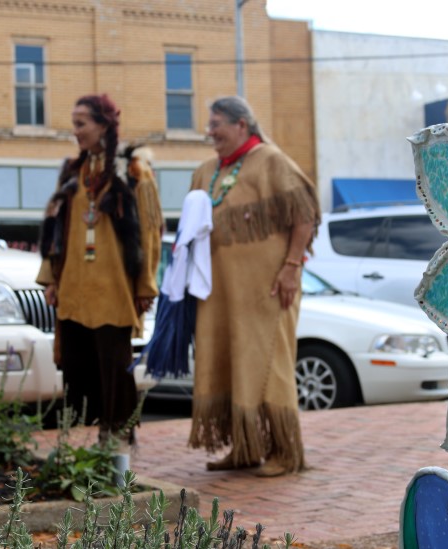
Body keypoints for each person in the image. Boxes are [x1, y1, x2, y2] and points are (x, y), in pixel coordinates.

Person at [188, 96, 320, 477]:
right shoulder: (207, 170)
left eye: (217, 124)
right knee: (229, 364)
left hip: (268, 289)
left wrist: (292, 266)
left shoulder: (271, 161)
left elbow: (305, 215)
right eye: (209, 125)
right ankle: (245, 446)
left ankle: (284, 451)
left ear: (242, 125)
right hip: (220, 293)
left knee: (269, 366)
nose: (210, 132)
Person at [37, 94, 163, 447]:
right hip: (75, 283)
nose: (75, 131)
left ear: (103, 125)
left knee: (113, 360)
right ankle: (86, 434)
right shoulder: (73, 171)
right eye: (74, 123)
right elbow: (55, 228)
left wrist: (145, 285)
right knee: (78, 362)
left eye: (81, 123)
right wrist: (51, 278)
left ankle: (118, 434)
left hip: (114, 285)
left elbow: (150, 232)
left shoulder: (133, 168)